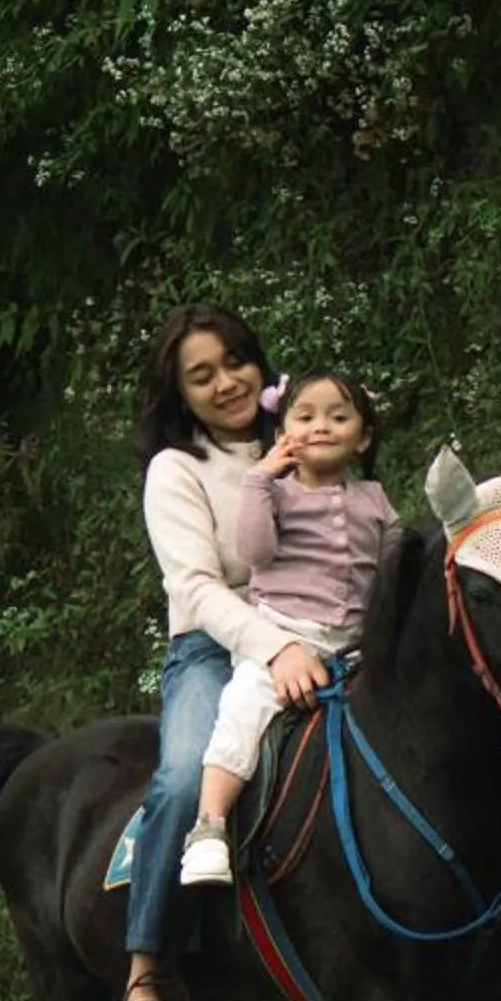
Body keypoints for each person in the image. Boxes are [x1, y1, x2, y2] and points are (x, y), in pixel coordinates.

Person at [120, 303, 326, 1001]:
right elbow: (199, 588)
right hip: (215, 648)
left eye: (234, 362)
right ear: (179, 395)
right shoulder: (176, 471)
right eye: (200, 376)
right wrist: (274, 650)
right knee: (180, 780)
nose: (226, 383)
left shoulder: (303, 437)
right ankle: (145, 976)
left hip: (323, 633)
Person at [179, 369, 400, 887]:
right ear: (283, 433)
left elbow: (393, 564)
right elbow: (254, 553)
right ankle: (209, 825)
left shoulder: (373, 497)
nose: (321, 426)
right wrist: (260, 479)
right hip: (284, 635)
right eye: (305, 416)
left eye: (338, 416)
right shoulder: (274, 493)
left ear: (363, 436)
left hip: (355, 643)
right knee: (243, 710)